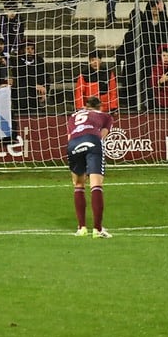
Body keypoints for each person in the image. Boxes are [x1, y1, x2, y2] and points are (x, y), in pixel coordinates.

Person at [68, 95, 114, 238]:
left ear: (85, 107)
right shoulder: (106, 116)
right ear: (100, 107)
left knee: (78, 184)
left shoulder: (74, 116)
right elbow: (102, 136)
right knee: (96, 184)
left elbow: (70, 136)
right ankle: (98, 229)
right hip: (92, 140)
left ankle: (81, 228)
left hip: (73, 144)